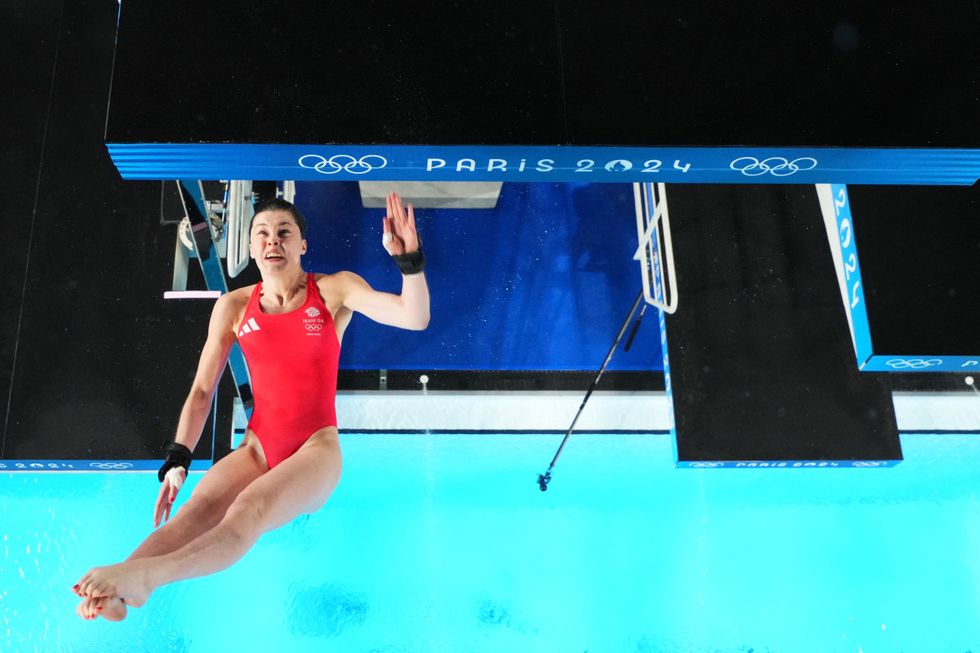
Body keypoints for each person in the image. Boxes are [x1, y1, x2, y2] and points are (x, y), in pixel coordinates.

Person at [73, 191, 429, 621]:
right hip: (258, 448)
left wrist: (410, 262)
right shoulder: (234, 306)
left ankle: (145, 580)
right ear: (250, 246)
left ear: (303, 245)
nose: (272, 240)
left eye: (284, 232)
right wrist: (178, 458)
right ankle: (115, 593)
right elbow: (202, 390)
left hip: (315, 451)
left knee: (248, 509)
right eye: (261, 233)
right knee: (196, 511)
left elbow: (414, 317)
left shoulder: (334, 290)